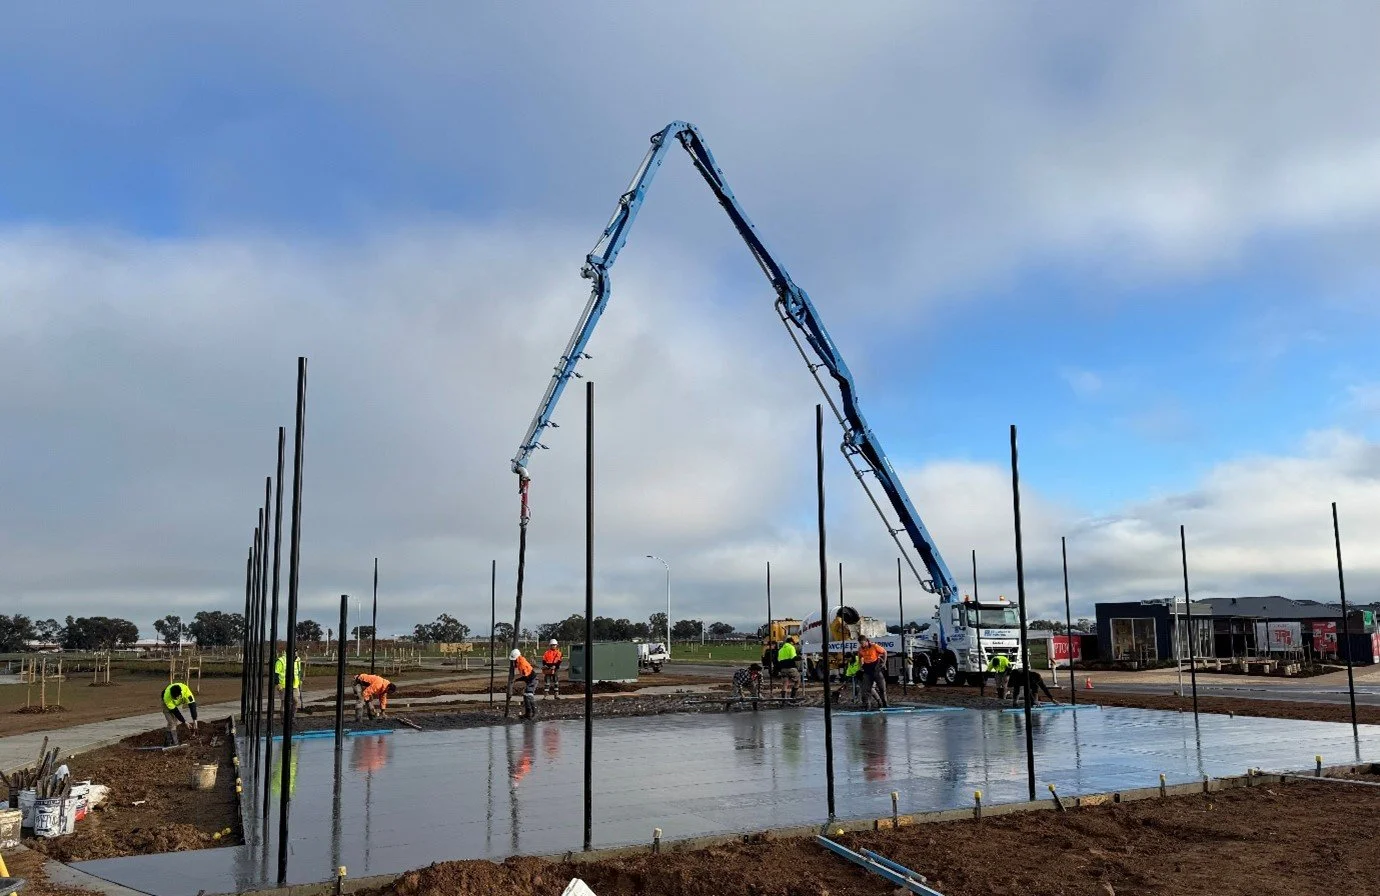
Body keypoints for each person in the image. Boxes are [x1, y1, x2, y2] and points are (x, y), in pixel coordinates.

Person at [161, 681, 198, 746]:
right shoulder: (167, 696)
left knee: (175, 723)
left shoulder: (186, 691)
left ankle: (168, 742)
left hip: (178, 704)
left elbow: (192, 706)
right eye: (174, 698)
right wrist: (185, 722)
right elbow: (175, 711)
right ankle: (174, 743)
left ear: (180, 694)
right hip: (167, 705)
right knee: (171, 723)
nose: (176, 699)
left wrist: (195, 720)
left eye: (177, 697)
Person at [858, 635, 888, 709]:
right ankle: (868, 706)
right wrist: (860, 666)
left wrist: (884, 663)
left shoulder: (874, 646)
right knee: (866, 689)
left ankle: (885, 703)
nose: (862, 645)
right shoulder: (860, 649)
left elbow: (884, 652)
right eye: (860, 643)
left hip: (876, 669)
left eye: (863, 643)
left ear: (866, 641)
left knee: (882, 688)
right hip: (867, 670)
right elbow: (860, 657)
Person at [510, 648, 538, 719]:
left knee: (529, 695)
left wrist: (517, 680)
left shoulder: (522, 664)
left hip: (532, 680)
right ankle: (528, 714)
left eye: (514, 660)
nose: (513, 662)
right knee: (525, 696)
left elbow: (526, 677)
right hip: (530, 680)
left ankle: (535, 713)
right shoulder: (520, 661)